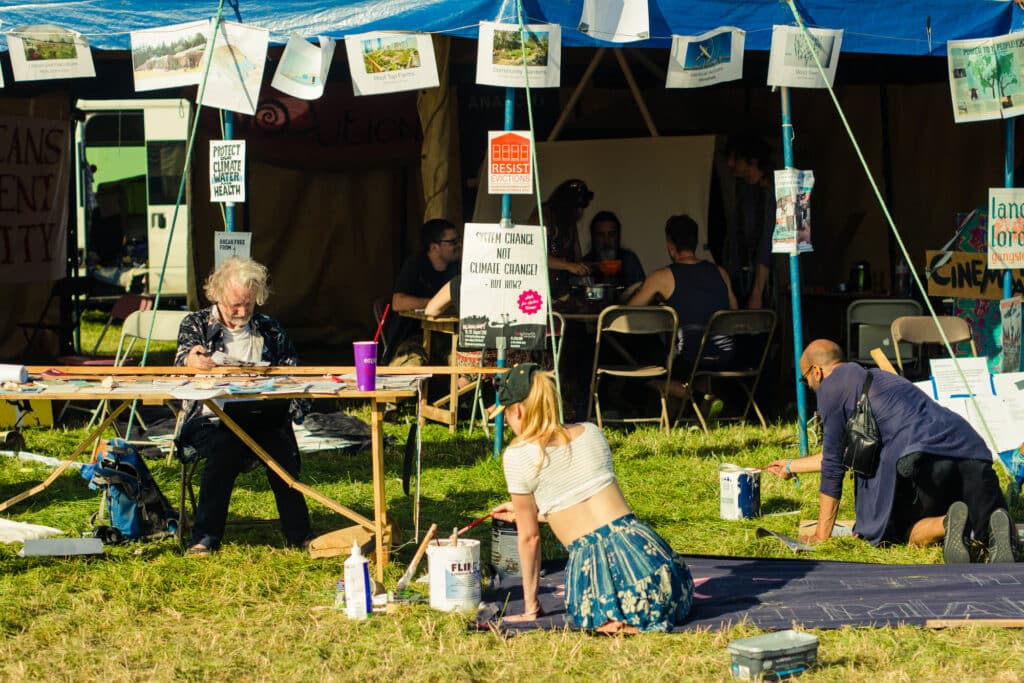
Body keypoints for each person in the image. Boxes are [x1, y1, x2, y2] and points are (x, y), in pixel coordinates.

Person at [764, 339, 1015, 564]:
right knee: (986, 521)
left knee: (897, 531)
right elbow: (844, 453)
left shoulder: (831, 388)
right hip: (968, 448)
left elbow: (833, 466)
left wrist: (821, 535)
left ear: (816, 372)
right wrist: (790, 466)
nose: (808, 385)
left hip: (920, 457)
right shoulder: (885, 379)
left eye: (804, 379)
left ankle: (947, 523)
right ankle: (993, 529)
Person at [490, 363, 694, 633]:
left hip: (603, 573)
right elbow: (581, 501)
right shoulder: (592, 432)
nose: (508, 423)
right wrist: (529, 513)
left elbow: (530, 538)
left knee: (596, 616)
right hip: (660, 568)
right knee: (660, 599)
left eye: (507, 416)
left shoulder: (517, 456)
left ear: (517, 410)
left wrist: (531, 606)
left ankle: (622, 619)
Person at [174, 257, 311, 555]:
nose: (242, 311)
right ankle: (205, 538)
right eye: (235, 304)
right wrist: (193, 361)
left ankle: (300, 535)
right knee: (225, 448)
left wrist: (279, 386)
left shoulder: (268, 328)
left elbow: (292, 368)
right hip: (210, 419)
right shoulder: (196, 323)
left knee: (281, 450)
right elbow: (182, 359)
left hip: (260, 416)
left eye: (248, 304)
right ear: (218, 294)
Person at [628, 215, 737, 368]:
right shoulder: (721, 273)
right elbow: (735, 312)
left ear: (671, 246)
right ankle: (698, 389)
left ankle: (687, 392)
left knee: (637, 358)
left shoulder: (662, 277)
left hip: (689, 357)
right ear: (695, 242)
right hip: (726, 356)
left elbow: (628, 314)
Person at [387, 218, 462, 364]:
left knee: (463, 366)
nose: (459, 245)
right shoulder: (415, 265)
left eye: (459, 240)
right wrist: (437, 302)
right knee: (414, 365)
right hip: (411, 338)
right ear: (434, 247)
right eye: (452, 242)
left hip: (446, 338)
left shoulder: (457, 267)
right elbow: (397, 302)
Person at [720, 133, 775, 310]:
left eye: (734, 158)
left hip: (766, 284)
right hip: (742, 280)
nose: (730, 164)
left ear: (751, 160)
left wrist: (757, 290)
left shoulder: (772, 192)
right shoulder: (745, 192)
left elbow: (767, 242)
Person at [528, 179, 593, 300]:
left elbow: (577, 257)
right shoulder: (543, 217)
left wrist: (587, 267)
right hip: (540, 290)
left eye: (583, 207)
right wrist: (568, 266)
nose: (580, 212)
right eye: (577, 207)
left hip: (563, 289)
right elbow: (534, 256)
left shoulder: (569, 223)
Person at [582, 210, 646, 292]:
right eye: (601, 235)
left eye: (611, 234)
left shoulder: (629, 260)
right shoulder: (585, 264)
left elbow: (642, 291)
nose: (606, 241)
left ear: (618, 236)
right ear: (593, 237)